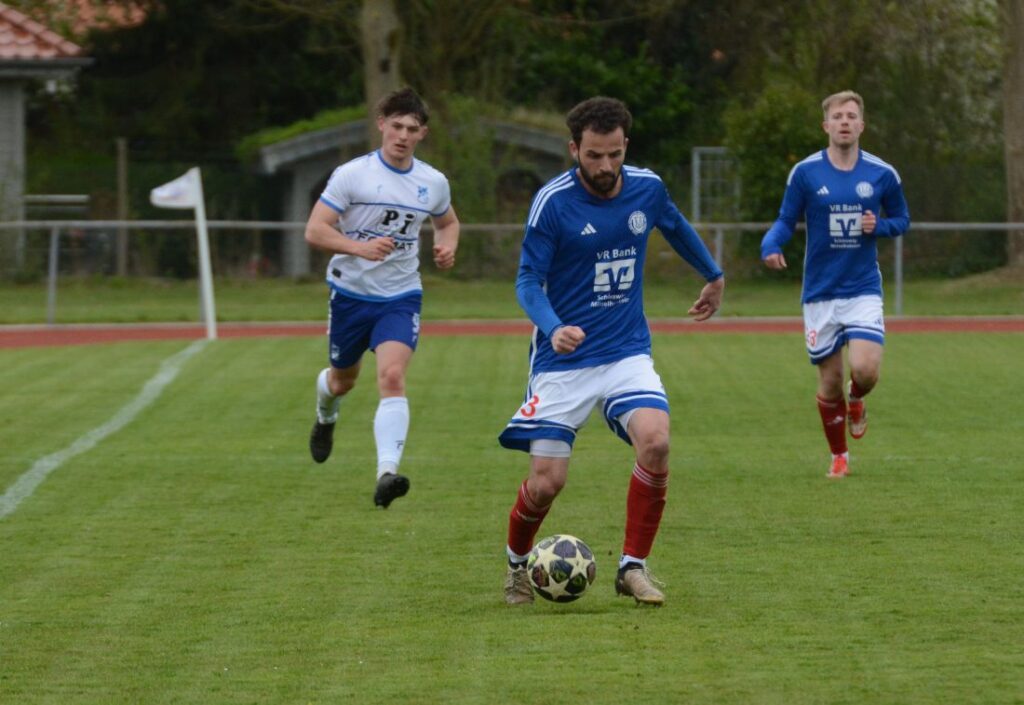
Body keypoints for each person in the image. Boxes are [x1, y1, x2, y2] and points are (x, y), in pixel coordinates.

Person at [498, 97, 725, 606]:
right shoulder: (552, 202)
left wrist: (713, 275)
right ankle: (516, 565)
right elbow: (528, 280)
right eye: (595, 155)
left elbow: (675, 226)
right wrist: (554, 327)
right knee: (547, 484)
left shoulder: (647, 188)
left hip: (625, 350)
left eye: (615, 154)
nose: (606, 166)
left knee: (657, 443)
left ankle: (632, 567)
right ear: (573, 149)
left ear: (626, 146)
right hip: (563, 360)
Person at [304, 87, 460, 508]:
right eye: (397, 126)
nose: (403, 135)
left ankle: (386, 474)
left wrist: (446, 246)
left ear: (423, 133)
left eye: (412, 129)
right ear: (381, 125)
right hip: (351, 294)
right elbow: (315, 230)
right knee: (342, 381)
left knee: (391, 376)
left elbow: (448, 223)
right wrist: (359, 248)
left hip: (401, 295)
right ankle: (325, 414)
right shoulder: (352, 175)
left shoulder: (432, 182)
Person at [760, 90, 909, 479]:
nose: (845, 122)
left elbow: (902, 219)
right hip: (820, 292)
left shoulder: (882, 173)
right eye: (838, 116)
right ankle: (839, 455)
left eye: (851, 116)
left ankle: (857, 398)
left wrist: (881, 226)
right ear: (826, 125)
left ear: (862, 125)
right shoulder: (805, 173)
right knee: (829, 383)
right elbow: (785, 220)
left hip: (862, 288)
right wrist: (771, 244)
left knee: (865, 369)